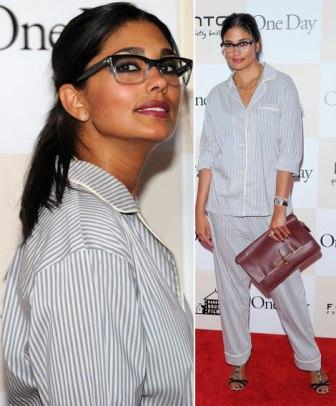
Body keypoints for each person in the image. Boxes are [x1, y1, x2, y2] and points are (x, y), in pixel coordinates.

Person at [2, 3, 193, 404]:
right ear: (76, 101)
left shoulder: (105, 220)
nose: (159, 81)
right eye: (127, 65)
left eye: (168, 65)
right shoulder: (90, 244)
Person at [195, 12, 329, 395]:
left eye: (242, 42)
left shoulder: (281, 86)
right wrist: (199, 210)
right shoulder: (219, 95)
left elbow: (290, 153)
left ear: (256, 44)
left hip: (267, 212)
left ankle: (311, 362)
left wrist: (279, 208)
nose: (235, 51)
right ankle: (237, 361)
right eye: (228, 44)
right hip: (222, 210)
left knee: (287, 293)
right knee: (231, 291)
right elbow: (209, 155)